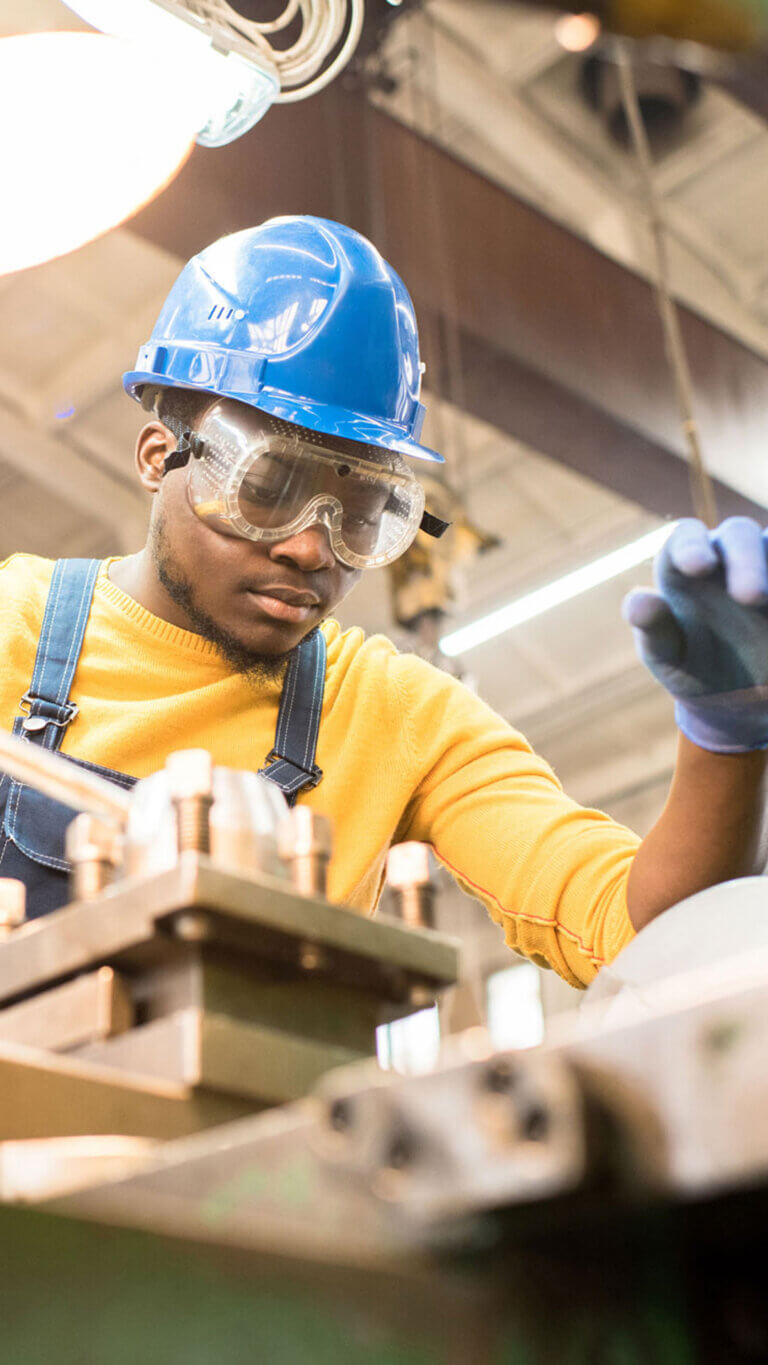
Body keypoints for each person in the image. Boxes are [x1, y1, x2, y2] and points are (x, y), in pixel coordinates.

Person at [0, 215, 766, 990]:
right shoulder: (13, 627)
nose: (311, 548)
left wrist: (726, 742)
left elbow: (638, 935)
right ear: (161, 457)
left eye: (360, 512)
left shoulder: (394, 713)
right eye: (266, 489)